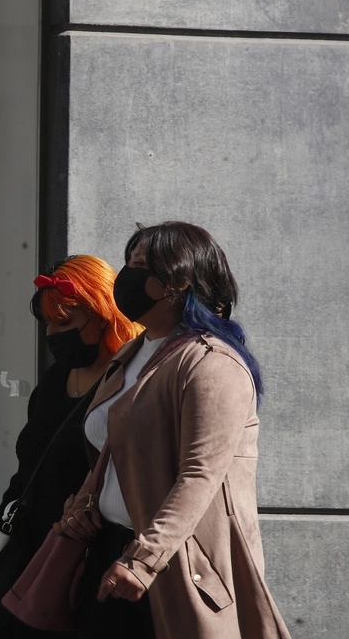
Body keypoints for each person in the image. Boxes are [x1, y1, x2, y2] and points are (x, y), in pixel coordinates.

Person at [57, 222, 291, 639]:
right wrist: (85, 501)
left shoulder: (211, 363)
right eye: (128, 262)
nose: (127, 275)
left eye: (142, 265)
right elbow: (113, 447)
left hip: (172, 564)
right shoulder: (133, 352)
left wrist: (144, 559)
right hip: (111, 552)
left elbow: (200, 475)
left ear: (179, 280)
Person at [0, 255, 140, 639]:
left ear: (102, 313)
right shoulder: (53, 381)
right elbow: (26, 472)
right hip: (26, 546)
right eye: (46, 324)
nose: (52, 335)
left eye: (64, 323)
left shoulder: (129, 381)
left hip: (86, 558)